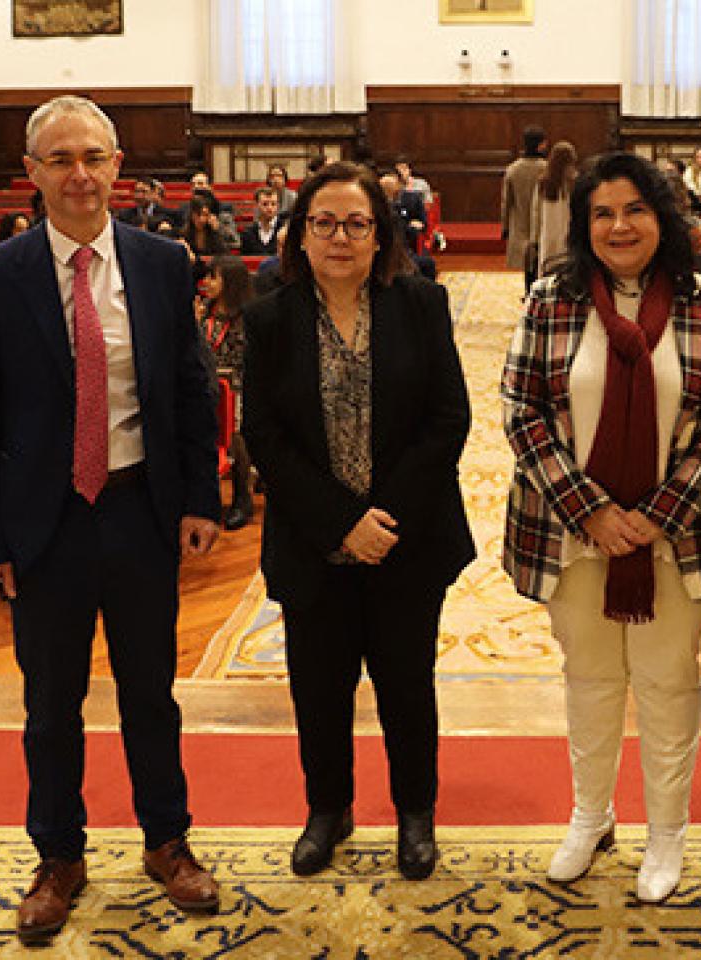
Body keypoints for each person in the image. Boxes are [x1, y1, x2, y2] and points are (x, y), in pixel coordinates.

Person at [0, 95, 225, 944]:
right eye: (60, 159)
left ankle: (167, 841)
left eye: (94, 157)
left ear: (118, 167)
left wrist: (199, 500)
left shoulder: (160, 263)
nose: (80, 175)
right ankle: (59, 856)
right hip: (45, 525)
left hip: (140, 511)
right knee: (51, 704)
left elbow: (187, 390)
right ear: (31, 174)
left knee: (152, 695)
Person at [501, 152, 701, 904]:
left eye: (635, 210)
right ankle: (591, 816)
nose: (619, 226)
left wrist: (653, 518)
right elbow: (521, 410)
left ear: (663, 217)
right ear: (585, 226)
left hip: (678, 535)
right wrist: (594, 513)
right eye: (602, 213)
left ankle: (667, 833)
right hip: (570, 532)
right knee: (590, 677)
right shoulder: (553, 299)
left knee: (668, 680)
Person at [241, 161, 475, 883]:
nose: (340, 236)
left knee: (408, 685)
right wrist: (342, 524)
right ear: (300, 234)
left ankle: (415, 814)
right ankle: (327, 810)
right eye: (324, 222)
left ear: (380, 235)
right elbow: (265, 434)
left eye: (356, 223)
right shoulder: (271, 317)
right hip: (314, 544)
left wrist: (383, 520)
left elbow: (448, 420)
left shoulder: (421, 304)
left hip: (407, 541)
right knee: (318, 687)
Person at [196, 255, 254, 529]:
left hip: (238, 386)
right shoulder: (203, 311)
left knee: (237, 430)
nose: (206, 283)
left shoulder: (250, 317)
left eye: (214, 277)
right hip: (206, 384)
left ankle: (242, 498)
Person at [502, 126, 549, 291]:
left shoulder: (513, 169)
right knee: (540, 262)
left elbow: (506, 202)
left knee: (527, 264)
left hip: (521, 223)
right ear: (540, 145)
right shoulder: (547, 169)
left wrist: (505, 226)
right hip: (544, 222)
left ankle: (529, 292)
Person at [529, 140, 577, 280]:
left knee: (548, 270)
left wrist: (534, 238)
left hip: (548, 234)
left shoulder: (543, 183)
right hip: (569, 234)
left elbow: (535, 212)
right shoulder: (575, 182)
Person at [239, 186, 285, 255]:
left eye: (273, 204)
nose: (269, 208)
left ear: (278, 206)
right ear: (256, 205)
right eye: (265, 204)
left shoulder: (285, 230)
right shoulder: (247, 233)